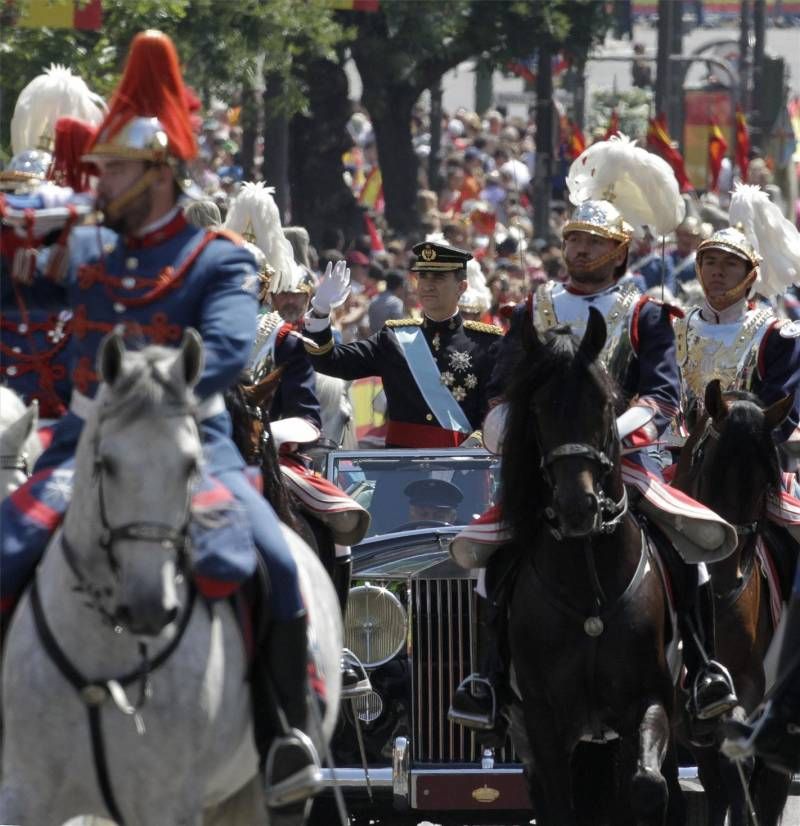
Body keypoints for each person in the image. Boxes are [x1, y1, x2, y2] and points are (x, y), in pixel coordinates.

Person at [0, 31, 321, 809]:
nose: (96, 175)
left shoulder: (220, 260)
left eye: (113, 166)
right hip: (81, 444)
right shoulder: (90, 250)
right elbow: (23, 301)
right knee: (6, 548)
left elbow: (225, 349)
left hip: (192, 445)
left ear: (158, 172)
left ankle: (286, 734)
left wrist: (153, 389)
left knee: (273, 562)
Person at [451, 138, 739, 734]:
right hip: (546, 461)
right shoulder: (535, 307)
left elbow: (659, 396)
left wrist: (615, 434)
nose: (579, 251)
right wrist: (502, 421)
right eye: (573, 241)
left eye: (593, 243)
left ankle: (706, 667)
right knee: (490, 552)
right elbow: (503, 383)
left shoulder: (647, 312)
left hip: (626, 458)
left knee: (688, 545)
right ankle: (486, 672)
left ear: (619, 251)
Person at [303, 241, 504, 448]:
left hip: (463, 467)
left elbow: (496, 408)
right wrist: (320, 312)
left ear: (461, 287)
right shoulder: (394, 338)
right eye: (423, 276)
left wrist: (478, 440)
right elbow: (328, 361)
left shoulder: (486, 343)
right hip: (401, 470)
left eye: (438, 277)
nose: (427, 285)